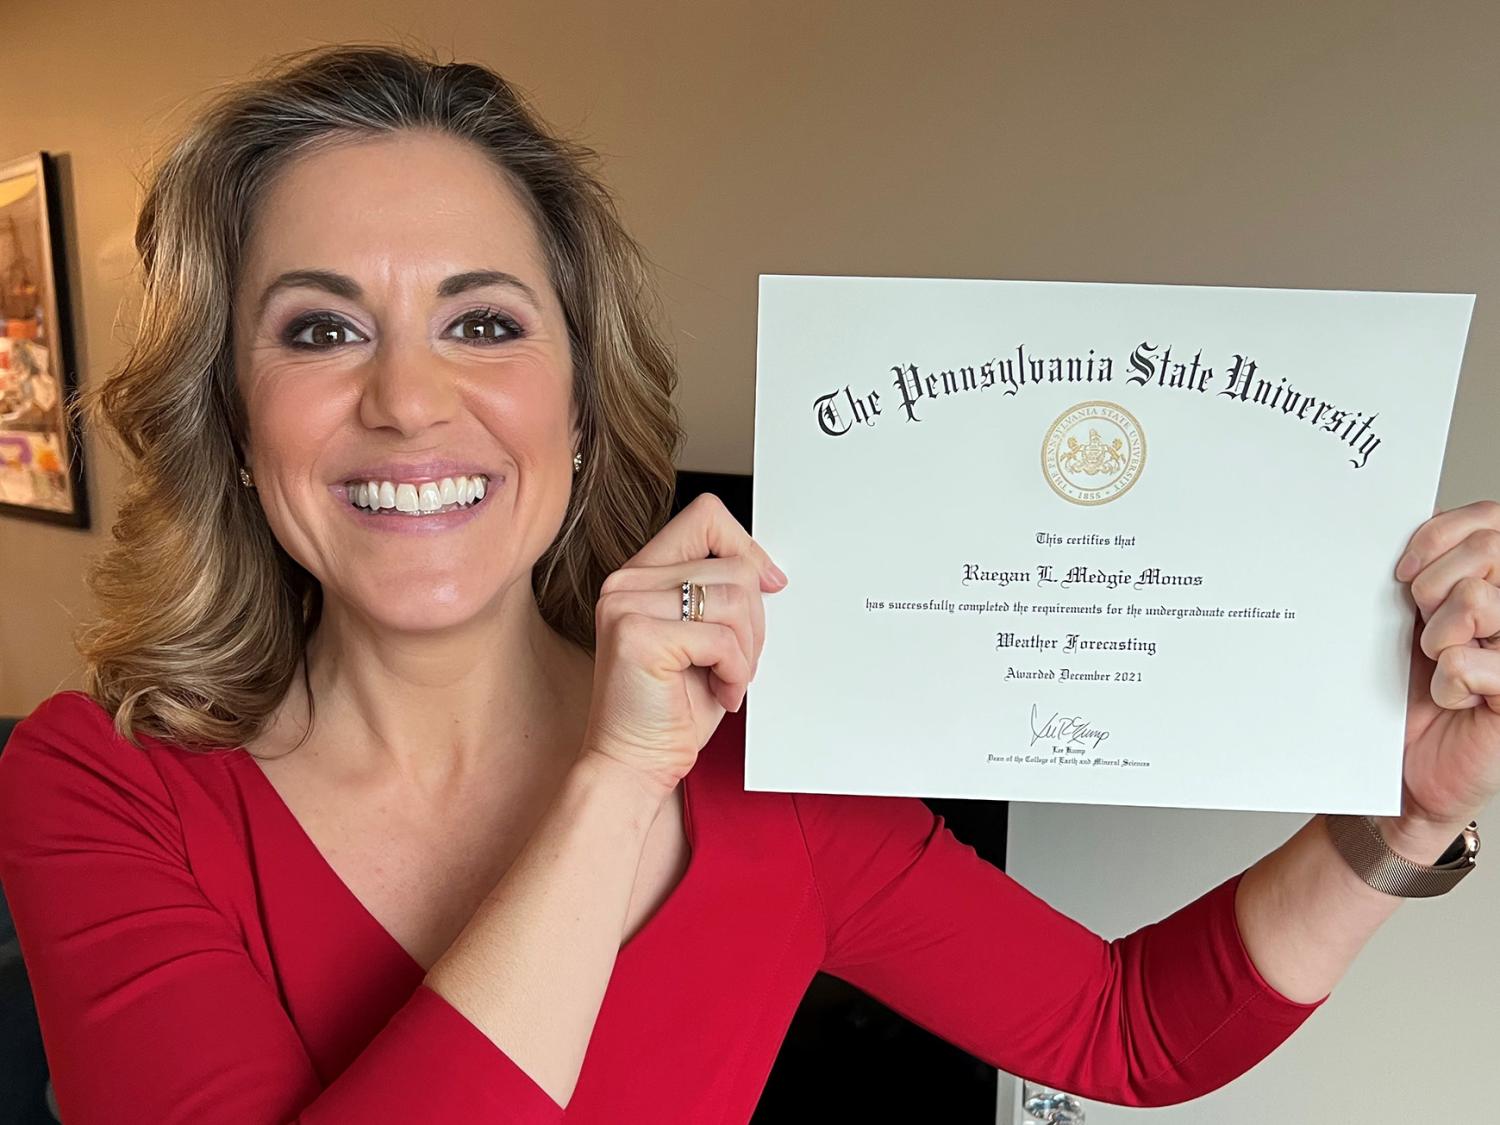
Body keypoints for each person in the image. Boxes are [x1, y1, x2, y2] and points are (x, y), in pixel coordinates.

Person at [0, 42, 1496, 1125]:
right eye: (320, 332)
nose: (407, 402)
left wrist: (1399, 812)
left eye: (486, 324)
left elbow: (1125, 1029)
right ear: (233, 426)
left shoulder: (775, 755)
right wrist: (614, 786)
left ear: (580, 415)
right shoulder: (104, 786)